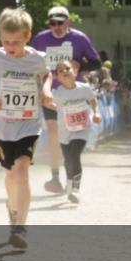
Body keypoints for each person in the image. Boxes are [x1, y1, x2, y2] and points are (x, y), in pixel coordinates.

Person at [0, 8, 51, 249]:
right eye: (6, 41)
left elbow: (47, 75)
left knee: (22, 170)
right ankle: (13, 209)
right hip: (3, 127)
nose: (10, 46)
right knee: (11, 174)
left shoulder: (37, 59)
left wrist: (46, 90)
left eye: (16, 42)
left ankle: (20, 226)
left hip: (29, 124)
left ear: (27, 36)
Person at [31, 6, 101, 194]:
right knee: (53, 132)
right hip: (51, 93)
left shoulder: (79, 38)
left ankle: (71, 169)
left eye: (60, 23)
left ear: (68, 22)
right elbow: (30, 62)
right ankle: (55, 177)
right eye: (52, 23)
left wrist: (80, 66)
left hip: (73, 94)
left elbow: (96, 62)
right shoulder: (40, 39)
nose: (56, 27)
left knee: (71, 136)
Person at [42, 59, 100, 204]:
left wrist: (96, 112)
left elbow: (92, 99)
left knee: (75, 155)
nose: (65, 72)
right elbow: (46, 101)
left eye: (67, 68)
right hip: (65, 131)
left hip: (82, 129)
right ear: (58, 78)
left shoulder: (84, 88)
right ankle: (69, 184)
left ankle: (75, 189)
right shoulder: (57, 93)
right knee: (68, 160)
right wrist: (58, 107)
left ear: (74, 71)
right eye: (60, 71)